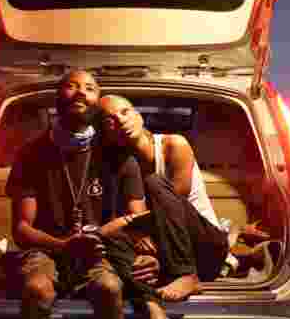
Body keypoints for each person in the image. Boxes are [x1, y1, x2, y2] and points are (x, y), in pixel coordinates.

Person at [4, 70, 167, 319]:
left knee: (110, 289)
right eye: (72, 85)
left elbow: (137, 218)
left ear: (99, 103)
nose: (80, 91)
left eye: (91, 87)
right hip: (48, 249)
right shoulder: (33, 152)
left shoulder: (117, 153)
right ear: (57, 96)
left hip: (98, 252)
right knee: (37, 290)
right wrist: (62, 246)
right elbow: (21, 230)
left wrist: (144, 251)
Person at [98, 95, 237, 302]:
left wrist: (124, 223)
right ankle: (148, 292)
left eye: (125, 112)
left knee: (155, 183)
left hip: (205, 246)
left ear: (139, 116)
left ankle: (187, 275)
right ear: (104, 134)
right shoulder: (119, 166)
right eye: (110, 120)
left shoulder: (174, 145)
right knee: (105, 238)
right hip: (162, 253)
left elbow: (170, 209)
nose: (120, 120)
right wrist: (131, 235)